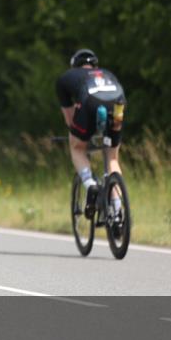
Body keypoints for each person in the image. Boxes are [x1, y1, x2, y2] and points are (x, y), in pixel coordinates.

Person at [55, 48, 127, 218]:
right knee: (112, 158)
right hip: (118, 103)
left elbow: (70, 120)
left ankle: (90, 183)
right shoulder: (107, 73)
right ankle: (117, 213)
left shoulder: (66, 78)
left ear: (74, 66)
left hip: (90, 102)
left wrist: (80, 136)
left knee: (77, 147)